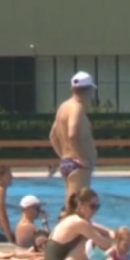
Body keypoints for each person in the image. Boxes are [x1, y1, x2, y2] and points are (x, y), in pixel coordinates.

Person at [44, 188, 113, 260]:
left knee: (92, 239)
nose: (95, 211)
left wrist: (114, 234)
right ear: (81, 205)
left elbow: (104, 230)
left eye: (97, 207)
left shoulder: (73, 218)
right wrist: (119, 247)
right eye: (92, 206)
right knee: (88, 242)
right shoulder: (79, 223)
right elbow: (104, 244)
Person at [49, 71, 98, 207]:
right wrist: (81, 158)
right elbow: (72, 134)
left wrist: (63, 156)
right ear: (89, 90)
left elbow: (52, 135)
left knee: (71, 205)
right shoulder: (77, 108)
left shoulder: (63, 107)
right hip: (78, 165)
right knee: (77, 208)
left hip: (68, 161)